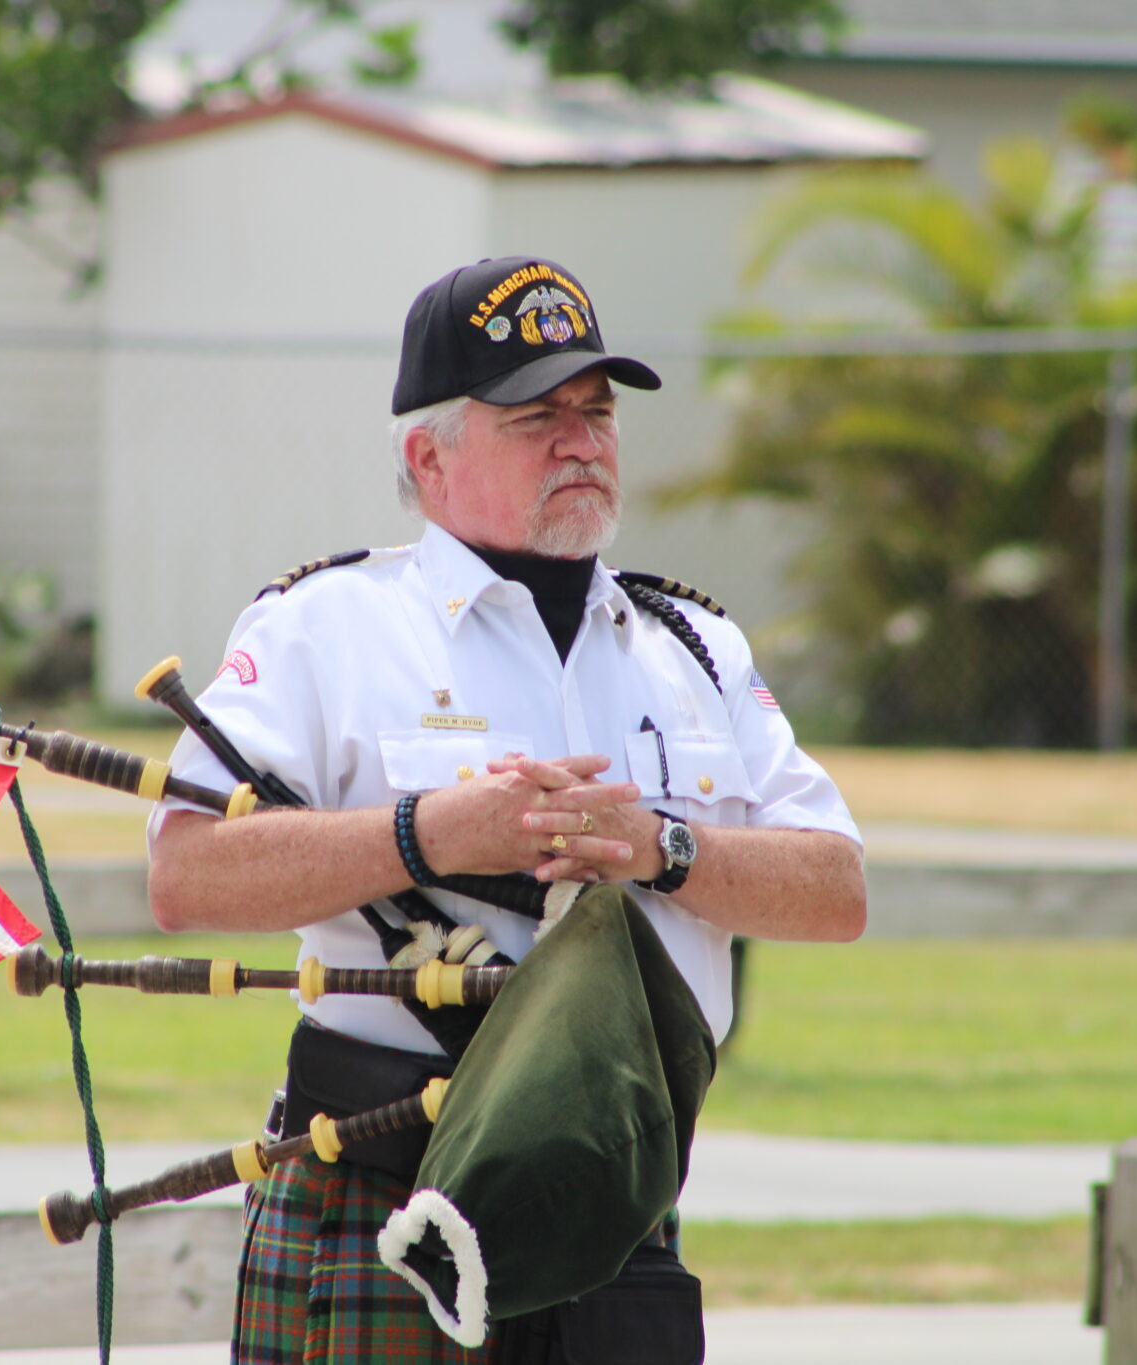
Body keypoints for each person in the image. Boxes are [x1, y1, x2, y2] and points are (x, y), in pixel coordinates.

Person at [146, 254, 866, 1363]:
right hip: (381, 1198)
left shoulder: (694, 649)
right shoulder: (323, 629)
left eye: (597, 411)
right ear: (427, 457)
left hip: (611, 1201)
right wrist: (427, 834)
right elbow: (187, 875)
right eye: (536, 417)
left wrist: (658, 847)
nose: (581, 442)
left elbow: (835, 891)